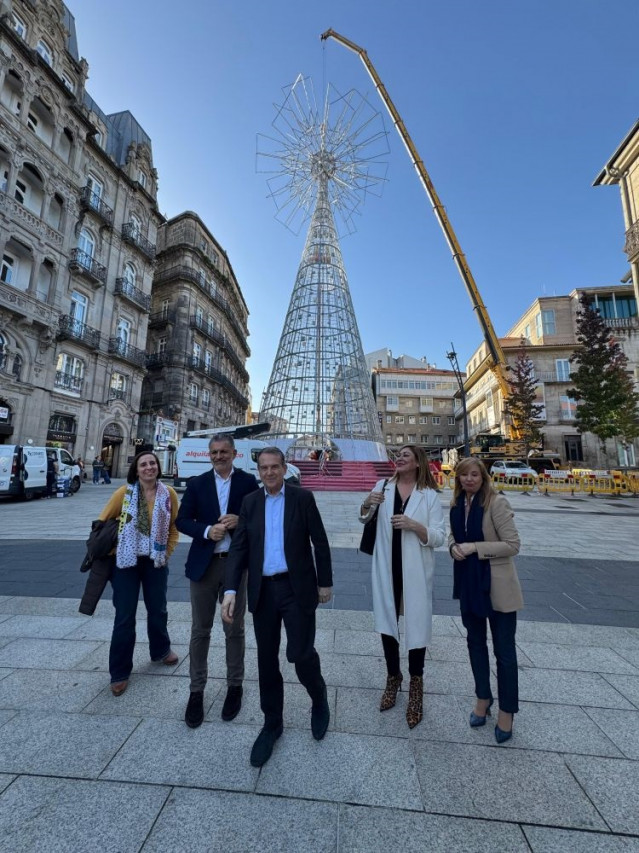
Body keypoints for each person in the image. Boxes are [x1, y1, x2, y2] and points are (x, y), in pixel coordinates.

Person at [221, 447, 332, 768]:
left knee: (299, 653)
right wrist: (230, 590)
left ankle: (319, 696)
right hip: (263, 591)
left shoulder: (302, 498)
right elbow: (239, 548)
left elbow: (320, 542)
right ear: (258, 471)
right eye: (263, 468)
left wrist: (325, 582)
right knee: (266, 660)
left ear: (285, 469)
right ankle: (272, 724)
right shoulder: (250, 503)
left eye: (274, 467)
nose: (269, 472)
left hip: (297, 589)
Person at [176, 434, 259, 728]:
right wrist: (206, 530)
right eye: (214, 452)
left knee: (233, 630)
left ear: (234, 454)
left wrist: (240, 521)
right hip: (204, 566)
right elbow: (182, 520)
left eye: (224, 451)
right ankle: (196, 691)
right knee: (200, 630)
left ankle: (234, 686)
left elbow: (259, 519)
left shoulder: (248, 482)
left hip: (236, 568)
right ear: (208, 454)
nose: (219, 456)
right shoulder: (198, 484)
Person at [360, 445, 446, 729]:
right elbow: (365, 518)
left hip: (415, 571)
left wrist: (414, 525)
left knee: (417, 627)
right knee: (388, 624)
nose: (399, 458)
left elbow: (439, 537)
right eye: (398, 455)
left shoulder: (430, 496)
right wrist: (365, 504)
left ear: (418, 463)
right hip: (386, 567)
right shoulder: (382, 485)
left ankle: (416, 687)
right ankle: (393, 676)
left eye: (406, 456)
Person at [448, 457, 523, 744]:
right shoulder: (456, 504)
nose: (469, 479)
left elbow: (513, 545)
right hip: (469, 584)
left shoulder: (496, 503)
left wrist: (474, 548)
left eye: (474, 474)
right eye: (464, 475)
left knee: (504, 652)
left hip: (497, 585)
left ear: (483, 477)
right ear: (458, 478)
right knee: (475, 644)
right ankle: (483, 696)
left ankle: (507, 711)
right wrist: (454, 547)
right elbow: (454, 537)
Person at [98, 451, 180, 696]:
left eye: (153, 463)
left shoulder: (169, 494)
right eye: (143, 464)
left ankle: (161, 650)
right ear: (136, 469)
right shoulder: (123, 494)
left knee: (158, 609)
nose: (149, 468)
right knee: (124, 615)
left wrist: (166, 553)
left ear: (158, 467)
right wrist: (116, 548)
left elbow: (174, 528)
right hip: (125, 562)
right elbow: (102, 523)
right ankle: (120, 672)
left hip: (155, 561)